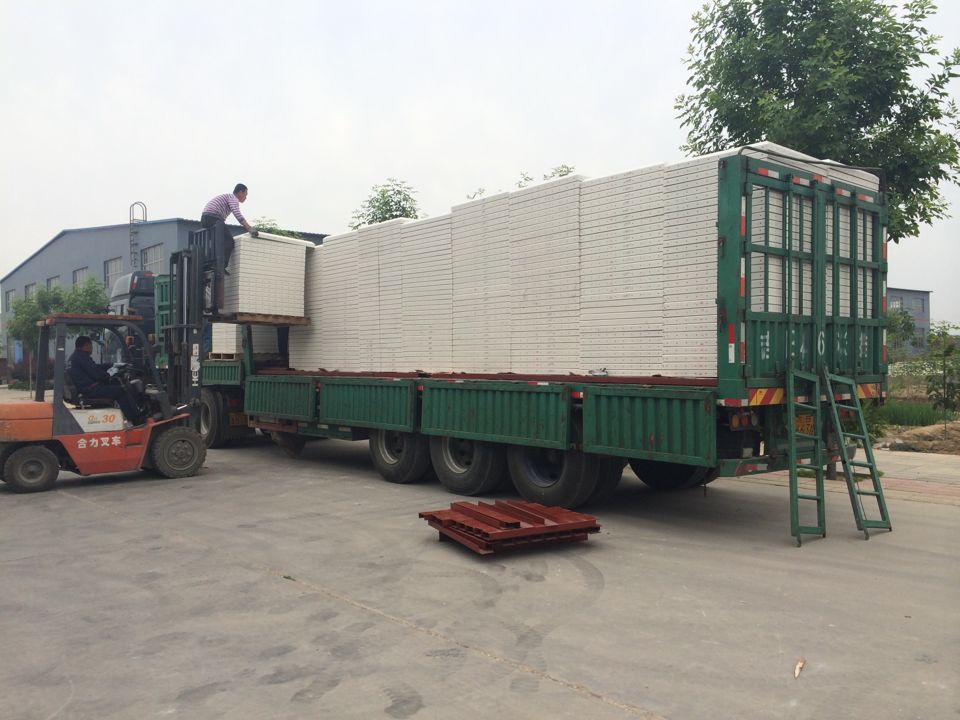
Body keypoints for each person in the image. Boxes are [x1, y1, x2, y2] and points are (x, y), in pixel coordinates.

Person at [67, 336, 140, 423]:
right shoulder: (82, 357)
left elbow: (94, 367)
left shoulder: (77, 356)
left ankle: (133, 416)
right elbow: (97, 375)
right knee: (121, 390)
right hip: (90, 390)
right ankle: (136, 418)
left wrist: (111, 365)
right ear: (87, 345)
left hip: (86, 388)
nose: (92, 348)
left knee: (115, 382)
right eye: (91, 345)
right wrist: (110, 373)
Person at [200, 183, 258, 269]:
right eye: (245, 194)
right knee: (229, 242)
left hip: (206, 218)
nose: (246, 198)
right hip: (213, 218)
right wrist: (249, 228)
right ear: (240, 192)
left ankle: (209, 265)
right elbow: (237, 214)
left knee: (217, 243)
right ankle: (220, 266)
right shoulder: (233, 198)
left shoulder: (227, 197)